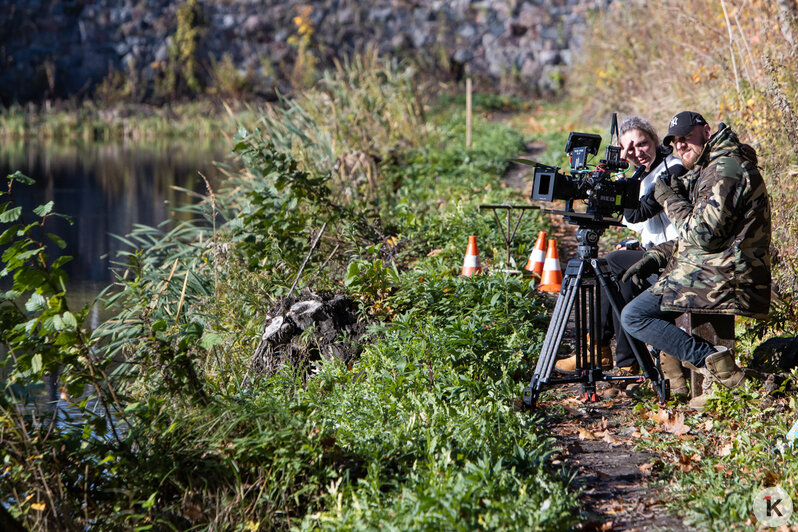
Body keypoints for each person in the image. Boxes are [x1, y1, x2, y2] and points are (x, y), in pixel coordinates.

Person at [620, 111, 771, 409]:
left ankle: (718, 369)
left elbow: (702, 235)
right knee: (634, 307)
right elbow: (705, 234)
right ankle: (707, 373)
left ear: (705, 132)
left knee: (634, 316)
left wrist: (669, 199)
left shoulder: (725, 169)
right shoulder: (711, 167)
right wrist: (656, 255)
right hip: (711, 267)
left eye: (686, 138)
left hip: (727, 274)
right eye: (675, 141)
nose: (680, 146)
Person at [555, 116, 689, 394]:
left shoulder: (671, 167)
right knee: (620, 277)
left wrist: (628, 176)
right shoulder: (643, 174)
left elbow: (637, 211)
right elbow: (644, 225)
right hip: (656, 254)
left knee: (610, 265)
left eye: (642, 144)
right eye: (629, 148)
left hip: (676, 258)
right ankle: (623, 362)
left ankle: (600, 347)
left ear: (654, 141)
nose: (637, 152)